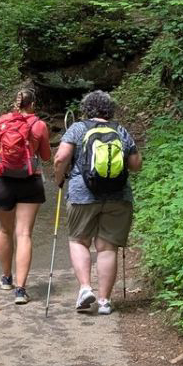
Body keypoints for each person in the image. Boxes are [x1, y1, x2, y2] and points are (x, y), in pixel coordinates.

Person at [51, 89, 142, 316]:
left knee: (79, 241)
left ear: (86, 109)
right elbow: (136, 164)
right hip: (118, 196)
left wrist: (59, 179)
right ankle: (104, 301)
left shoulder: (78, 128)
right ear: (110, 109)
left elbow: (61, 158)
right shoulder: (120, 130)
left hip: (82, 195)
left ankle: (84, 289)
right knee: (107, 247)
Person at [0, 87, 52, 306]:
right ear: (32, 104)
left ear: (15, 102)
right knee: (24, 234)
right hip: (30, 182)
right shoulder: (39, 125)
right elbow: (46, 156)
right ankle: (21, 290)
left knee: (5, 230)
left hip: (2, 182)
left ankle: (6, 278)